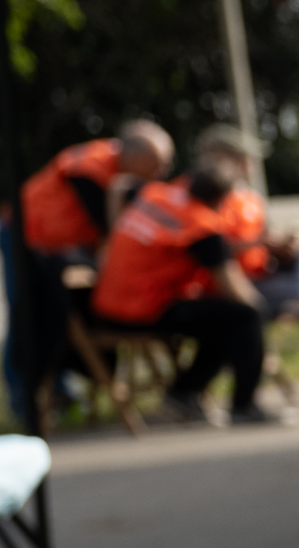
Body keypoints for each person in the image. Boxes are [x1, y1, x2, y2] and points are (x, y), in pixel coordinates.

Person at [89, 149, 282, 427]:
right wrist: (262, 311)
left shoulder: (154, 196)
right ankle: (243, 405)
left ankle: (184, 394)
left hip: (105, 305)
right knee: (245, 316)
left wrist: (111, 232)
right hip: (144, 311)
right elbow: (233, 289)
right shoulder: (202, 226)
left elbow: (119, 185)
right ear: (223, 198)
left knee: (219, 321)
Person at [184, 127, 299, 411]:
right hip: (233, 285)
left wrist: (282, 246)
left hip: (268, 275)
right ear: (222, 157)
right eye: (245, 157)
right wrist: (253, 243)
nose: (252, 164)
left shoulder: (251, 199)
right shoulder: (206, 193)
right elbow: (205, 250)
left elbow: (266, 244)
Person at [0, 119, 171, 420]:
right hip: (23, 235)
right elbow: (111, 232)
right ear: (132, 156)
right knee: (25, 310)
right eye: (155, 165)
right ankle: (21, 396)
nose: (159, 175)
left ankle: (62, 388)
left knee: (63, 308)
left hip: (61, 246)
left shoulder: (124, 179)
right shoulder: (92, 166)